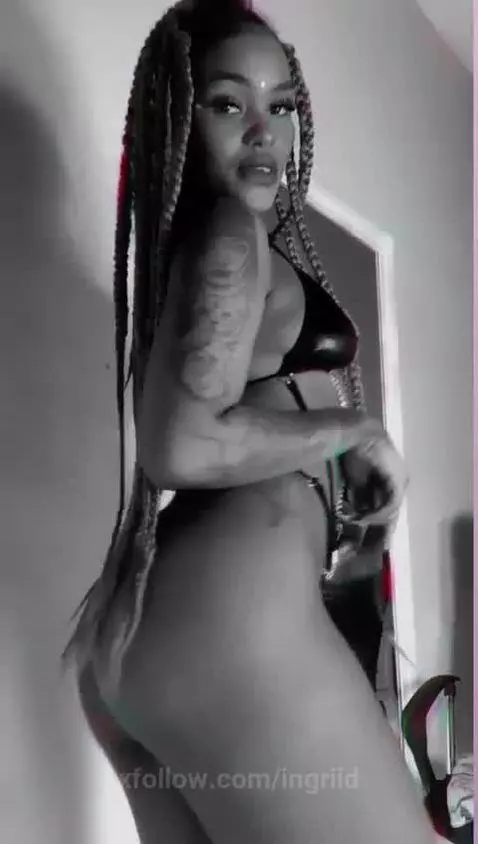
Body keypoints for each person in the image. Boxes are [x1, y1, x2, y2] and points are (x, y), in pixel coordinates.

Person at [62, 1, 435, 841]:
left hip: (143, 635)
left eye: (282, 105)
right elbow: (180, 443)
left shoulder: (196, 248)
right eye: (229, 103)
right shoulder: (231, 234)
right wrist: (352, 431)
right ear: (180, 119)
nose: (265, 131)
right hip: (227, 618)